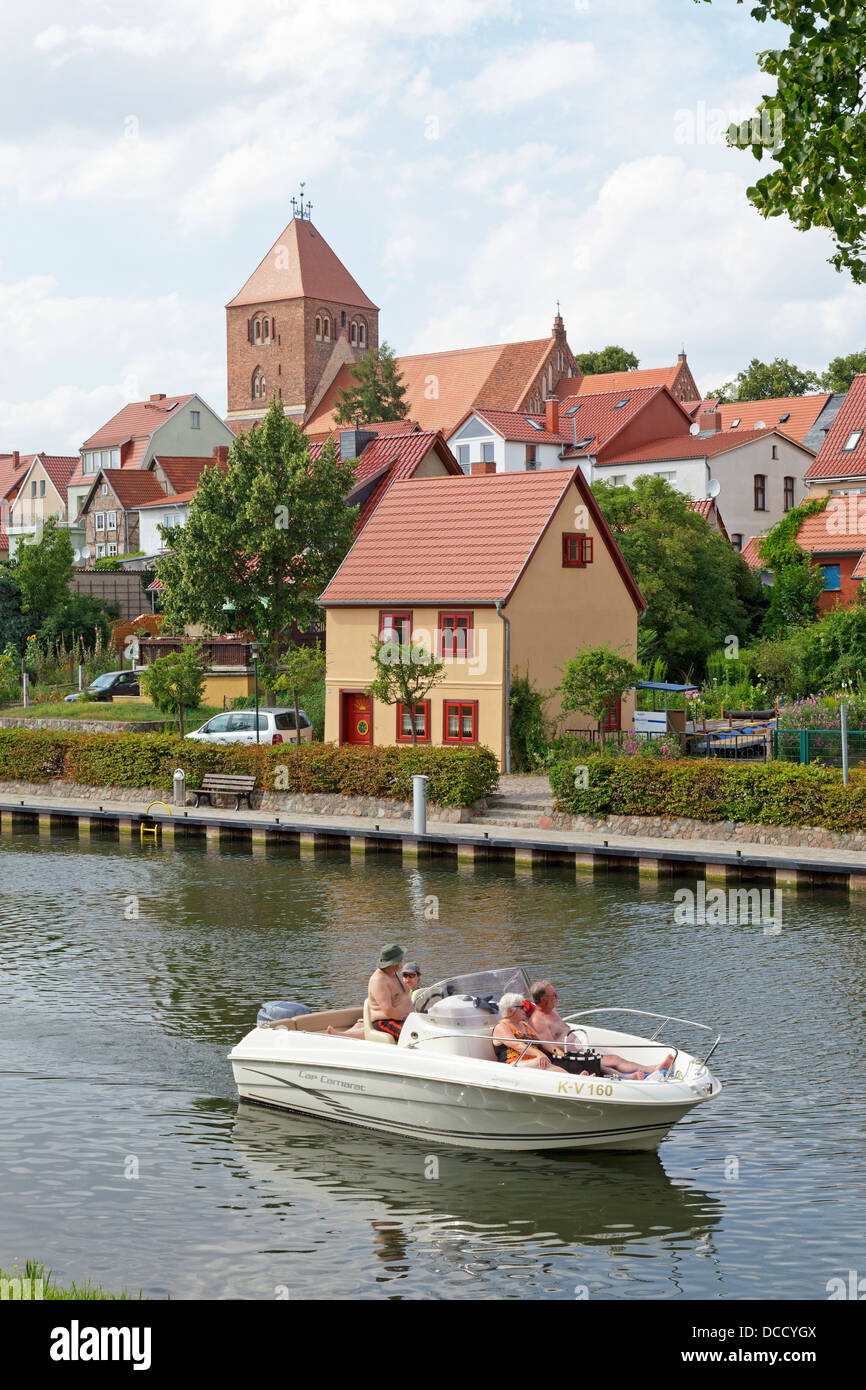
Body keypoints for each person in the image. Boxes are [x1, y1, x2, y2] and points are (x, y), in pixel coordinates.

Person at [528, 980, 675, 1079]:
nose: (557, 997)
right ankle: (637, 1075)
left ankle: (653, 1069)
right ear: (542, 1000)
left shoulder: (551, 1010)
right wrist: (574, 1058)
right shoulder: (538, 1020)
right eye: (553, 995)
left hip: (580, 1052)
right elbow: (551, 1047)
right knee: (605, 1062)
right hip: (569, 1059)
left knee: (614, 1059)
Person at [327, 962, 422, 1038]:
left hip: (399, 1018)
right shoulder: (400, 989)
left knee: (371, 1026)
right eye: (405, 975)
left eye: (411, 975)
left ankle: (341, 1035)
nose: (407, 979)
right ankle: (341, 1035)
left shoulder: (419, 994)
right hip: (388, 1016)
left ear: (418, 976)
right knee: (360, 1023)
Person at [492, 994, 567, 1072]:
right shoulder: (501, 1027)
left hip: (533, 1061)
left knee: (560, 1053)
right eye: (521, 1007)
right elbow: (517, 1045)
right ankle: (571, 1080)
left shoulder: (524, 1025)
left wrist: (557, 1051)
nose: (525, 1009)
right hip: (512, 1064)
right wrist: (539, 1054)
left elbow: (541, 1041)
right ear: (509, 1010)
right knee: (540, 1062)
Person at [366, 943, 414, 1040]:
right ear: (395, 963)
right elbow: (388, 1010)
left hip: (402, 1019)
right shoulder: (379, 980)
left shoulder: (393, 973)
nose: (402, 961)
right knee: (413, 1033)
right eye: (401, 959)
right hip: (385, 1022)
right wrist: (407, 1018)